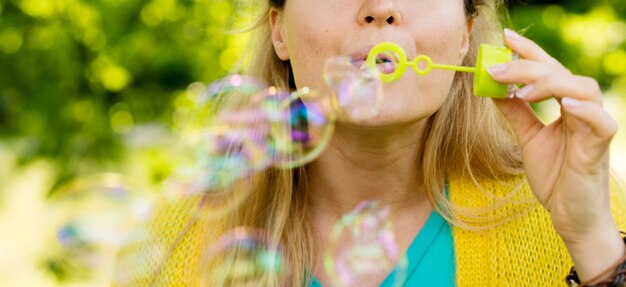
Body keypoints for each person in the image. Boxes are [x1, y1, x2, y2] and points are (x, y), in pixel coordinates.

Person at [114, 0, 626, 286]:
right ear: (279, 31)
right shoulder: (179, 240)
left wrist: (591, 243)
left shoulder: (587, 210)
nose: (380, 9)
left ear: (467, 33)